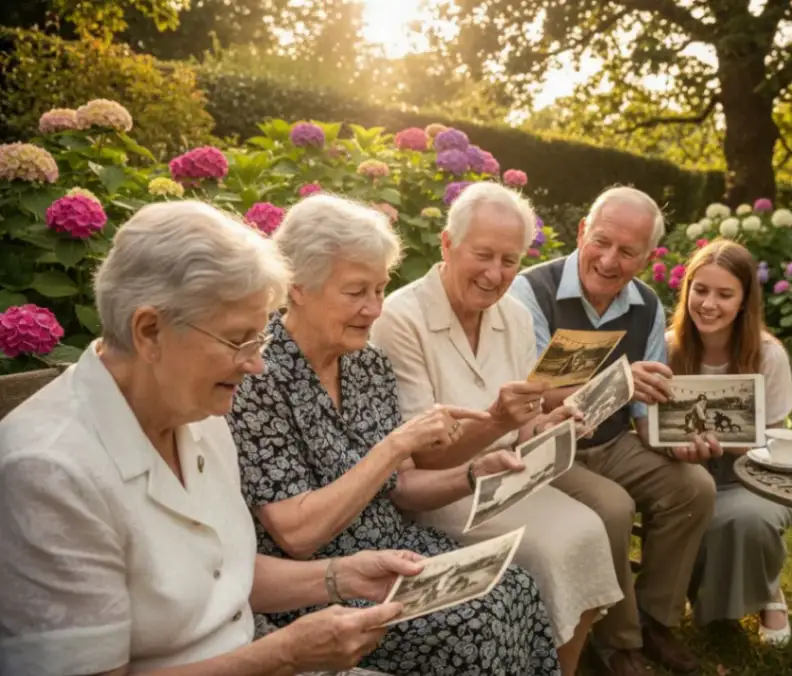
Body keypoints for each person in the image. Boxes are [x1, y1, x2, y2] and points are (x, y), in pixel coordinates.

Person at [0, 201, 426, 676]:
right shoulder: (48, 471)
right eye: (238, 339)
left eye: (259, 339)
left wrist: (343, 575)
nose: (257, 364)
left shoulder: (195, 412)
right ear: (149, 331)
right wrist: (284, 653)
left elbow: (221, 573)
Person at [227, 193, 562, 676]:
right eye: (356, 292)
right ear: (298, 287)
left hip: (393, 550)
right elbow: (298, 535)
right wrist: (395, 446)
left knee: (518, 588)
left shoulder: (367, 363)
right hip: (320, 583)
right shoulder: (258, 377)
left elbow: (401, 488)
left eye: (381, 289)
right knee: (476, 627)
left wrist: (472, 474)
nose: (374, 309)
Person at [371, 182, 624, 676]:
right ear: (448, 244)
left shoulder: (514, 315)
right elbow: (421, 459)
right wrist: (498, 421)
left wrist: (554, 423)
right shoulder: (400, 319)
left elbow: (524, 428)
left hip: (510, 478)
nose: (495, 274)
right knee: (552, 549)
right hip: (447, 493)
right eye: (483, 255)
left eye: (510, 261)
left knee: (590, 531)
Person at [510, 186, 717, 676]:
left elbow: (646, 413)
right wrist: (617, 383)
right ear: (583, 231)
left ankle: (655, 621)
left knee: (695, 488)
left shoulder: (646, 303)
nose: (608, 260)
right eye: (601, 241)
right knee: (613, 507)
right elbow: (527, 396)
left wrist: (676, 442)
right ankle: (617, 642)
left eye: (627, 251)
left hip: (612, 442)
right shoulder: (530, 291)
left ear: (647, 257)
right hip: (547, 444)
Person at [666, 239, 792, 646]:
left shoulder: (769, 355)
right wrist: (674, 448)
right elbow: (647, 426)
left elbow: (777, 441)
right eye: (700, 290)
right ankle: (706, 601)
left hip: (751, 476)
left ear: (744, 302)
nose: (709, 304)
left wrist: (741, 444)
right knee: (694, 509)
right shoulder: (667, 347)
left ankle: (769, 591)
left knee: (748, 517)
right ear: (687, 290)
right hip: (684, 473)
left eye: (724, 294)